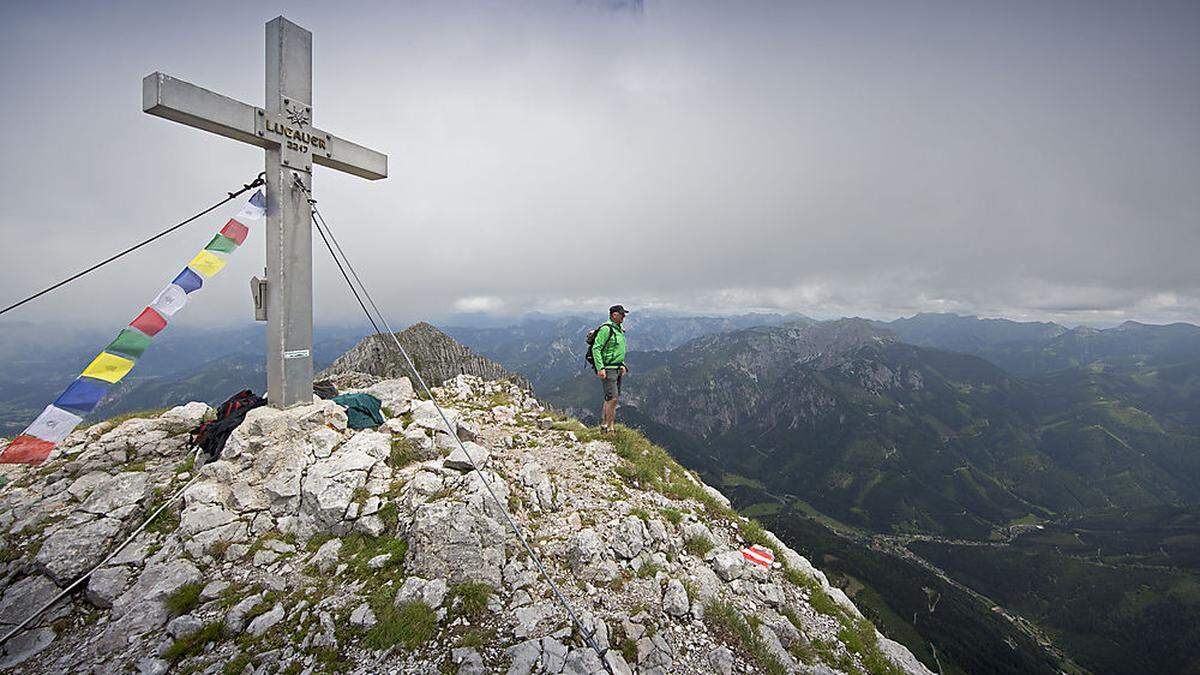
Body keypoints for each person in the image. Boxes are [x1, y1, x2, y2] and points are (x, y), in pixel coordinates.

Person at [593, 305, 628, 433]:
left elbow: (617, 349)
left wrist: (622, 364)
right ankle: (609, 427)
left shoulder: (618, 329)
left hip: (617, 367)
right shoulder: (606, 329)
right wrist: (600, 368)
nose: (624, 316)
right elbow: (596, 348)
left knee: (611, 398)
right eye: (622, 314)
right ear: (614, 315)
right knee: (613, 398)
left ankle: (605, 424)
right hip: (608, 369)